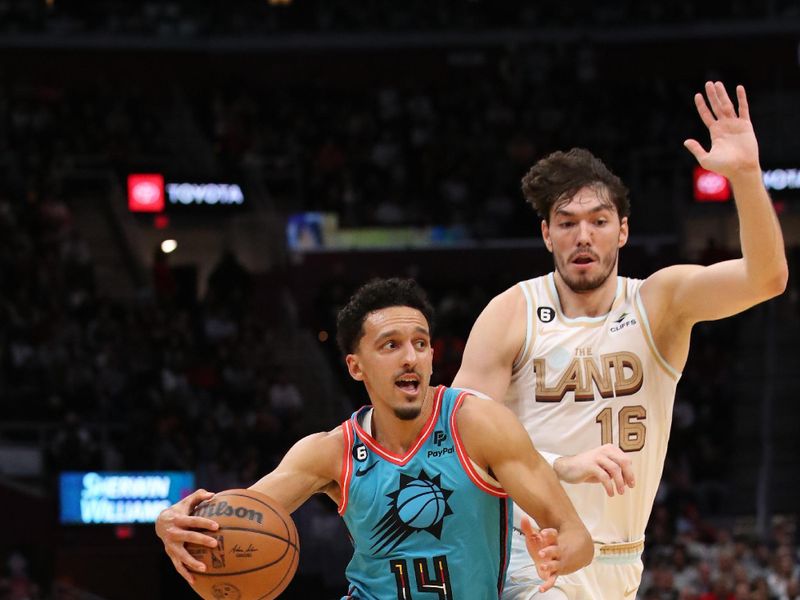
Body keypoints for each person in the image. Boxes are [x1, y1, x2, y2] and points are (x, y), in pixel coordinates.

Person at [452, 81, 788, 599]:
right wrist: (559, 465)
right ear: (547, 235)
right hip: (531, 552)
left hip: (623, 561)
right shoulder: (512, 312)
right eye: (566, 223)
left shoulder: (660, 302)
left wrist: (746, 175)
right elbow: (456, 440)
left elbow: (766, 279)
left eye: (598, 221)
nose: (582, 235)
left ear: (623, 231)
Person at [156, 278, 593, 599]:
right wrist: (170, 525)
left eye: (421, 343)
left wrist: (559, 557)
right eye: (391, 345)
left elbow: (577, 536)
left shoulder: (477, 424)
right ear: (355, 366)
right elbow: (231, 524)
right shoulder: (330, 452)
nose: (411, 357)